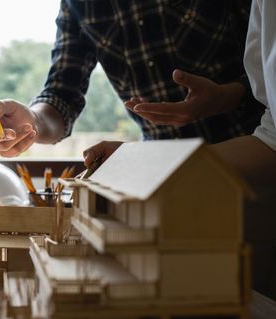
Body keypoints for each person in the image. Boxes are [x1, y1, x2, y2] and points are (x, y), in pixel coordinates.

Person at [0, 0, 264, 158]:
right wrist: (30, 122)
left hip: (252, 157)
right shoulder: (77, 5)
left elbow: (267, 61)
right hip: (162, 175)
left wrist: (230, 95)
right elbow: (61, 96)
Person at [84, 0, 276, 194]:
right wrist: (133, 162)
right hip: (182, 187)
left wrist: (228, 96)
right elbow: (270, 142)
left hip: (250, 186)